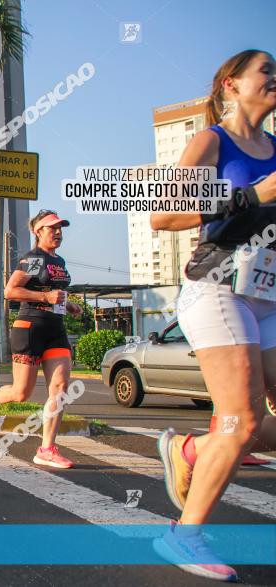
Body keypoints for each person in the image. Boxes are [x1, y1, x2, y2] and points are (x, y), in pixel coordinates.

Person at [150, 49, 276, 582]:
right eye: (265, 70)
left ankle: (190, 448)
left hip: (267, 293)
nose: (275, 78)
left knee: (249, 430)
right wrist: (249, 196)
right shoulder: (211, 141)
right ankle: (182, 534)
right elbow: (162, 215)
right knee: (242, 421)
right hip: (218, 288)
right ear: (231, 84)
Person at [0, 210, 83, 469]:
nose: (57, 232)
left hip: (55, 329)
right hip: (29, 327)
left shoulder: (60, 261)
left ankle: (46, 448)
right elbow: (11, 291)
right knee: (21, 393)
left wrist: (70, 305)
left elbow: (56, 294)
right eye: (51, 227)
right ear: (37, 232)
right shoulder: (35, 259)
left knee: (61, 387)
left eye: (60, 227)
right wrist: (45, 298)